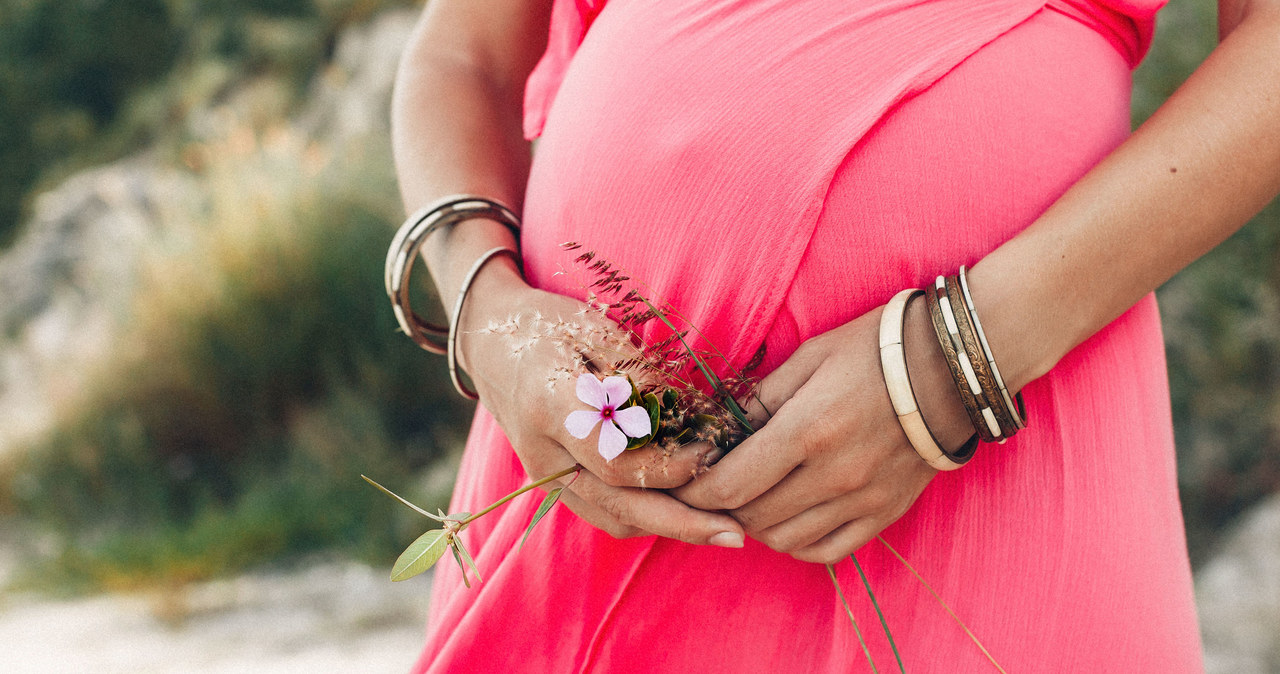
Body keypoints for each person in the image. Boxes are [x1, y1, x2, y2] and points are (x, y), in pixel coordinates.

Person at [390, 0, 1280, 670]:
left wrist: (958, 358)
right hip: (587, 475)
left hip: (992, 458)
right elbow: (458, 57)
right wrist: (489, 320)